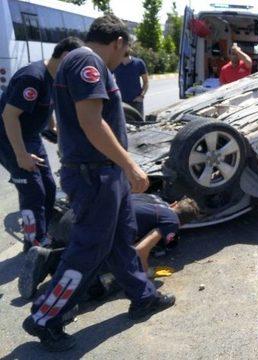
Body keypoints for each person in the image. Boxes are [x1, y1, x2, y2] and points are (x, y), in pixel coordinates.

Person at [22, 15, 175, 352]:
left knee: (121, 240)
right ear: (118, 41)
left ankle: (143, 296)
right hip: (96, 175)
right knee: (88, 249)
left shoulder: (82, 61)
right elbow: (92, 123)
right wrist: (131, 165)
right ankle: (45, 316)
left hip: (106, 175)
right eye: (125, 52)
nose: (125, 60)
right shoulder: (86, 61)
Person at [19, 194, 200, 300]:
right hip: (88, 231)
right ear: (182, 225)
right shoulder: (172, 222)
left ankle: (49, 257)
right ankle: (60, 277)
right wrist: (144, 276)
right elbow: (140, 251)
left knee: (98, 250)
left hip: (71, 218)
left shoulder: (152, 199)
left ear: (174, 204)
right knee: (114, 271)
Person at [0, 37, 83, 251]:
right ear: (65, 57)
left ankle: (42, 234)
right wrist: (21, 155)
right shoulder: (32, 78)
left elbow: (48, 105)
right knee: (33, 192)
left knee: (48, 189)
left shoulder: (55, 76)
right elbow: (9, 117)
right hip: (9, 138)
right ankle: (33, 243)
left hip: (31, 136)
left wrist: (53, 128)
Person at [113, 52, 148, 117]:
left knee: (139, 124)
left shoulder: (139, 63)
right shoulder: (115, 64)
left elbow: (146, 82)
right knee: (123, 125)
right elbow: (108, 80)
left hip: (136, 102)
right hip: (121, 103)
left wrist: (141, 96)